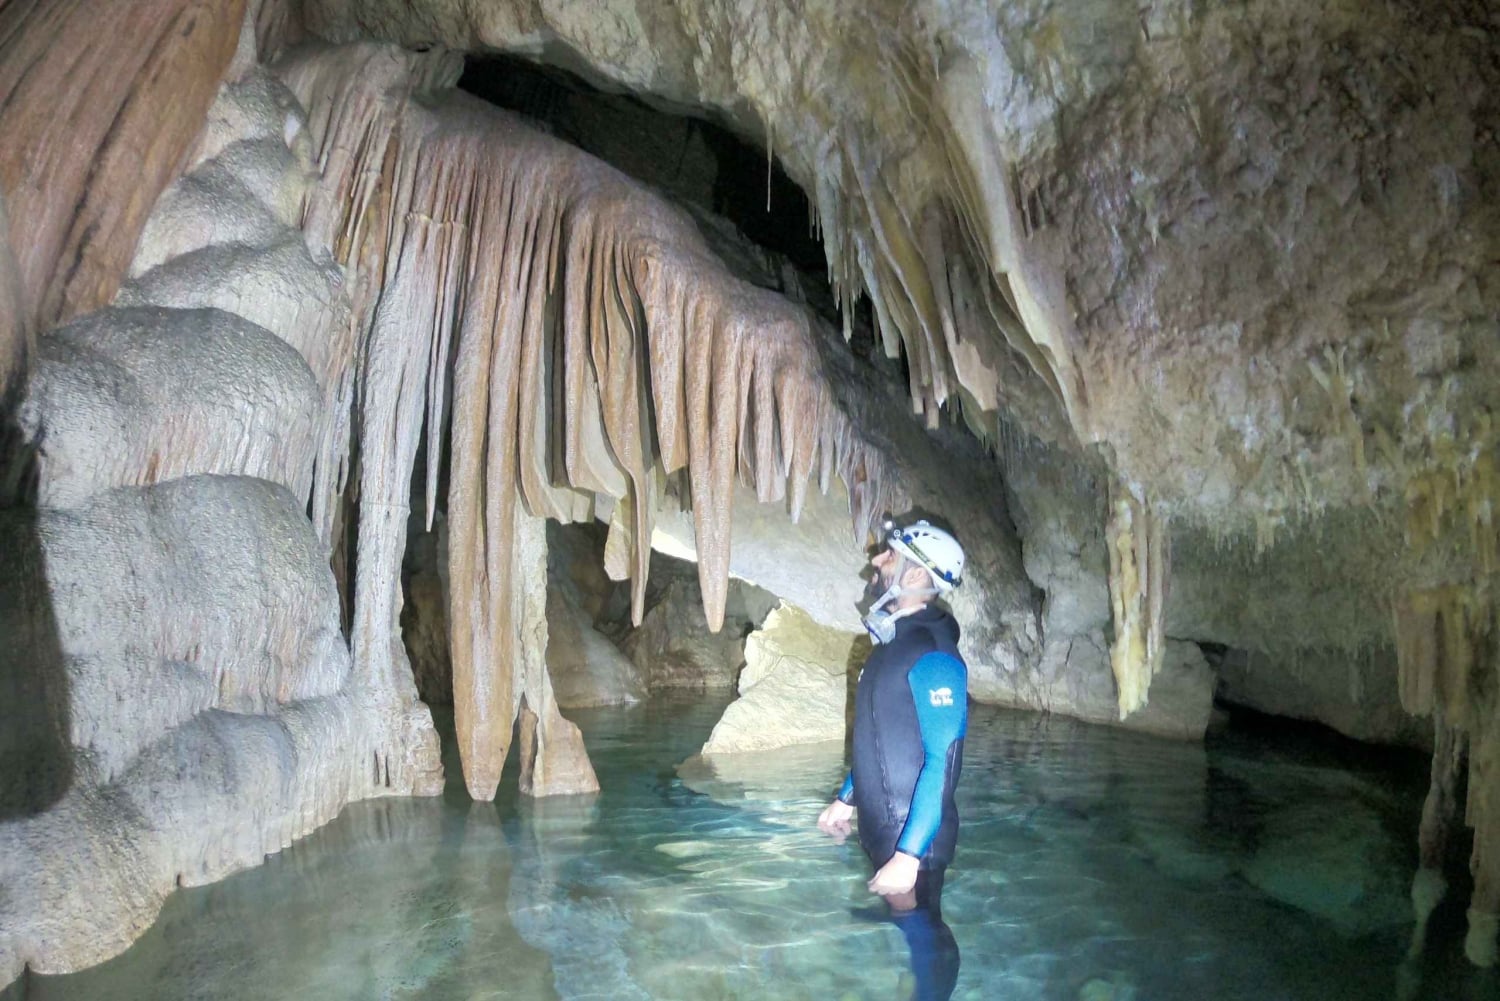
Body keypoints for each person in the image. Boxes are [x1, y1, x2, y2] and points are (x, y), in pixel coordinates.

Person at [818, 519, 967, 999]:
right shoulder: (892, 644)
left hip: (915, 837)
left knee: (921, 925)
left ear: (917, 576)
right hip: (889, 826)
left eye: (890, 554)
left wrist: (907, 856)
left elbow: (941, 759)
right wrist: (846, 798)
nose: (878, 561)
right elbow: (879, 737)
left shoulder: (934, 653)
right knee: (903, 916)